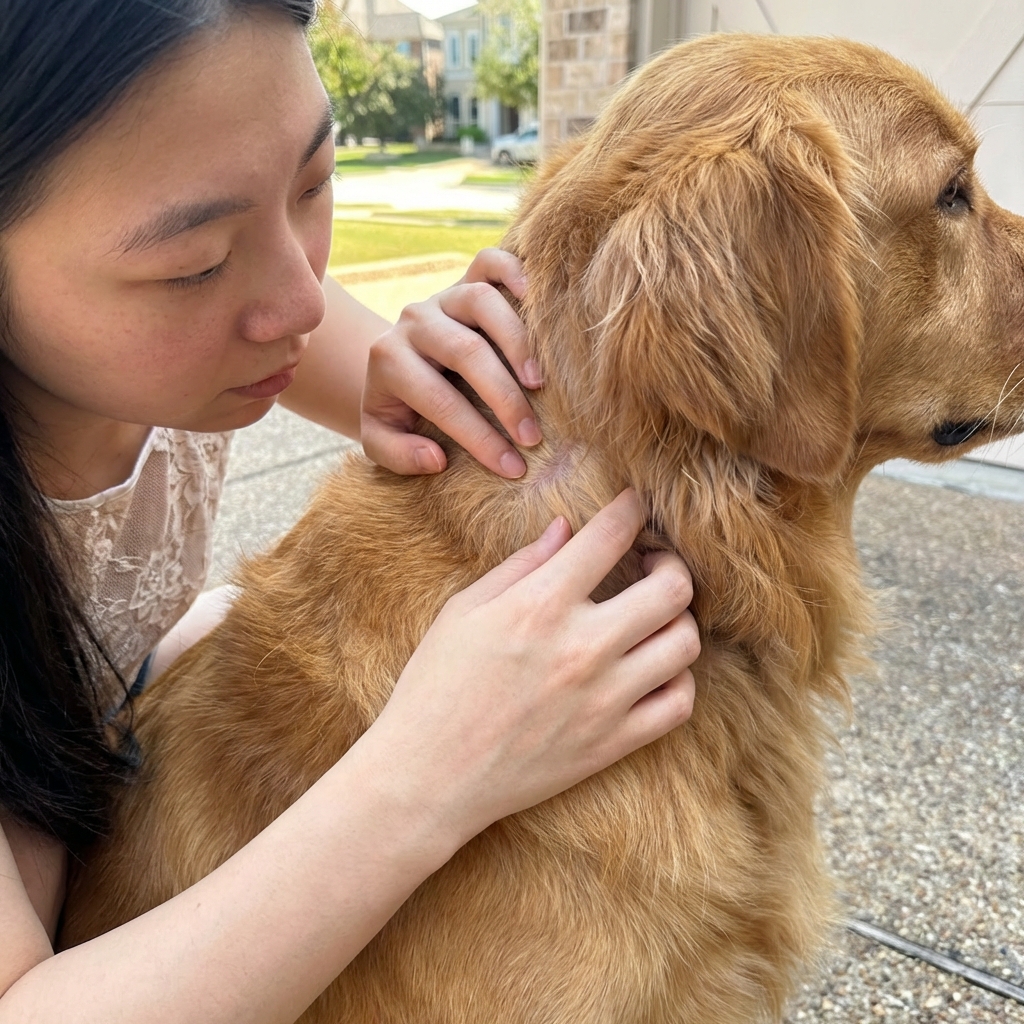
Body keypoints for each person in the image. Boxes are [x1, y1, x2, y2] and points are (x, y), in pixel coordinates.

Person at [0, 1, 701, 1021]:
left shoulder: (238, 330)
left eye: (313, 182)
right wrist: (428, 770)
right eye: (193, 263)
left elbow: (416, 387)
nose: (298, 298)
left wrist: (444, 364)